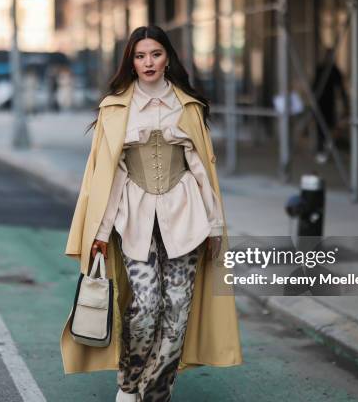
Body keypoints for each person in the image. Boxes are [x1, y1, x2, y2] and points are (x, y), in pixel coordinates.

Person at [60, 25, 243, 401]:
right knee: (144, 306)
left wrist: (215, 225)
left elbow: (202, 169)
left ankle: (156, 392)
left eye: (155, 54)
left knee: (177, 312)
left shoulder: (188, 105)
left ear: (167, 57)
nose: (148, 62)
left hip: (187, 218)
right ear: (131, 60)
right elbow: (107, 175)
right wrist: (98, 231)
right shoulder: (114, 108)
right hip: (134, 220)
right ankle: (129, 385)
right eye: (140, 56)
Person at [312, 48, 349, 163]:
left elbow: (341, 88)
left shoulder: (333, 70)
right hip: (320, 103)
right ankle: (321, 150)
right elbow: (313, 86)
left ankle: (325, 150)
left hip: (328, 103)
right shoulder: (322, 69)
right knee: (321, 128)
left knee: (328, 127)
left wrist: (346, 103)